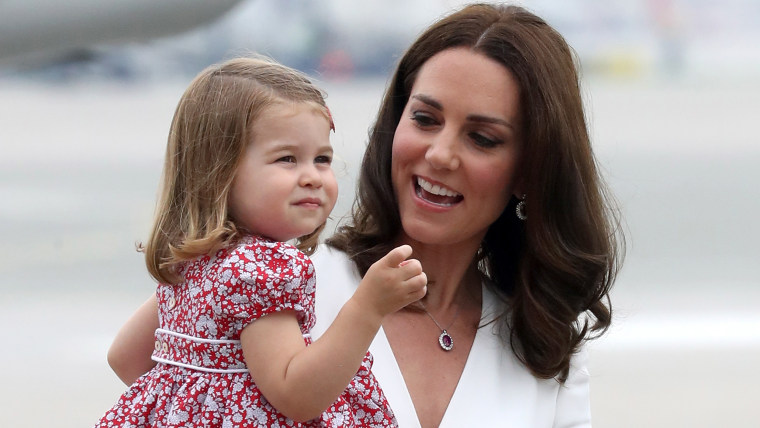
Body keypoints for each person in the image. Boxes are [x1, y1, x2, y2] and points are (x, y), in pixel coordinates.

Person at [310, 3, 623, 427]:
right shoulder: (293, 290)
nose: (439, 154)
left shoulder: (543, 349)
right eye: (424, 119)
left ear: (529, 171)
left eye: (482, 138)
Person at [95, 57, 427, 427]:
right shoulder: (262, 270)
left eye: (321, 159)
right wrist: (368, 306)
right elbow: (298, 397)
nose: (313, 177)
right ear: (218, 173)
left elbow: (125, 358)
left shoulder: (195, 261)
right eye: (287, 159)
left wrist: (197, 405)